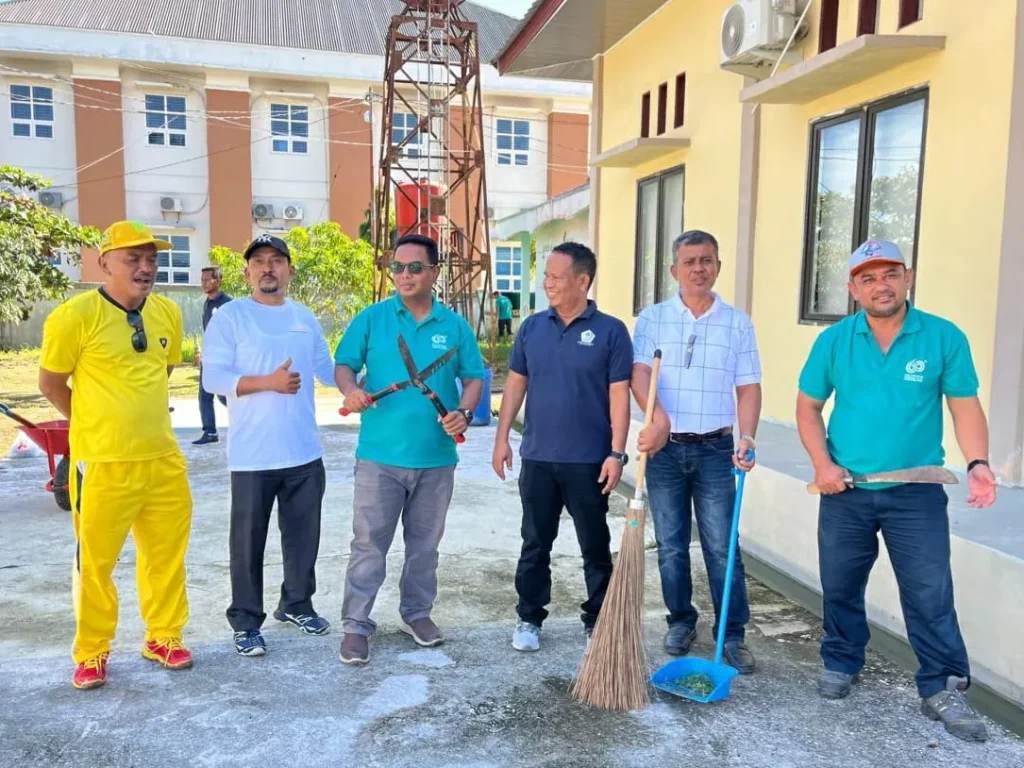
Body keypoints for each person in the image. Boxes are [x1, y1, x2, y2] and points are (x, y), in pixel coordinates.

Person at [796, 239, 998, 742]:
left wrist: (978, 463)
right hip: (846, 490)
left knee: (929, 590)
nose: (880, 285)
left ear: (908, 278)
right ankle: (842, 661)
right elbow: (807, 407)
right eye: (867, 277)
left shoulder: (942, 336)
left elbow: (964, 405)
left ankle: (942, 685)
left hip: (916, 491)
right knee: (840, 582)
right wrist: (823, 465)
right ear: (852, 289)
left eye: (889, 274)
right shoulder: (835, 341)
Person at [38, 220, 194, 690]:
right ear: (105, 262)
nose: (146, 268)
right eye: (134, 259)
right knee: (96, 563)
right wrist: (91, 421)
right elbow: (50, 383)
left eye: (152, 259)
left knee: (166, 556)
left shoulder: (167, 312)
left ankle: (163, 636)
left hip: (162, 460)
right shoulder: (74, 316)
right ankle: (92, 651)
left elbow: (161, 374)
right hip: (102, 464)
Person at [334, 233, 485, 665]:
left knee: (424, 546)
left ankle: (416, 613)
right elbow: (344, 364)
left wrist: (465, 410)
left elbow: (474, 377)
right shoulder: (373, 318)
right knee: (368, 544)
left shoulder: (454, 326)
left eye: (415, 267)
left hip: (436, 458)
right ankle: (357, 625)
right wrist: (350, 391)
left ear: (434, 272)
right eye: (397, 268)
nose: (404, 275)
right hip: (379, 456)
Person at [630, 229, 762, 674]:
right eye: (689, 262)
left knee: (723, 546)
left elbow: (748, 387)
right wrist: (659, 420)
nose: (698, 269)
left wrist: (747, 437)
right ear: (674, 271)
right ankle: (681, 620)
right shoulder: (653, 318)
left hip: (716, 448)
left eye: (707, 260)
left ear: (718, 266)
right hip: (665, 451)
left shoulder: (737, 322)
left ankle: (733, 633)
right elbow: (640, 375)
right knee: (670, 545)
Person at [492, 242, 633, 651]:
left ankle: (599, 620)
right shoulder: (533, 328)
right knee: (535, 541)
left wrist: (617, 452)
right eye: (546, 276)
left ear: (583, 280)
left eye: (556, 276)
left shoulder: (610, 331)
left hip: (589, 459)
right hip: (538, 456)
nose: (547, 283)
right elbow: (516, 384)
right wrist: (502, 438)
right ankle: (529, 618)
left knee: (594, 543)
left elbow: (619, 394)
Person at [201, 234, 337, 657]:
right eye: (259, 261)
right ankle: (245, 620)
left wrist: (358, 386)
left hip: (303, 451)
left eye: (276, 260)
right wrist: (267, 384)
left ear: (289, 271)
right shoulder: (230, 316)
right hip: (252, 456)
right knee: (247, 543)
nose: (267, 268)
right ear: (246, 272)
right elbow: (213, 378)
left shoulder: (304, 316)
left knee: (302, 538)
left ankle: (296, 603)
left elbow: (327, 370)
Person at [192, 266, 231, 445]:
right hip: (209, 357)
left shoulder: (227, 304)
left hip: (223, 359)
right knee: (205, 395)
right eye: (202, 280)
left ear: (218, 280)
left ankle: (250, 418)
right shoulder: (207, 303)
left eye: (207, 279)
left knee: (225, 395)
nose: (204, 283)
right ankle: (210, 432)